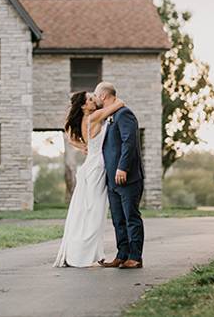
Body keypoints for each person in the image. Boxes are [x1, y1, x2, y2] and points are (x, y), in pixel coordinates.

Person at [53, 90, 126, 267]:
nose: (95, 100)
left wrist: (84, 147)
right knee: (95, 210)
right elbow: (120, 103)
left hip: (90, 164)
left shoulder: (84, 120)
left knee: (85, 210)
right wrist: (107, 98)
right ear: (85, 106)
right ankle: (82, 253)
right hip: (97, 166)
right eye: (92, 99)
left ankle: (89, 251)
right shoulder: (95, 117)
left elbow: (70, 139)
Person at [95, 81, 145, 269]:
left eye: (96, 95)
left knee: (131, 217)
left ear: (103, 96)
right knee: (118, 219)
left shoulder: (124, 114)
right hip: (112, 179)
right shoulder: (109, 116)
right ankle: (122, 255)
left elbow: (129, 142)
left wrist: (122, 167)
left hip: (128, 177)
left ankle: (135, 257)